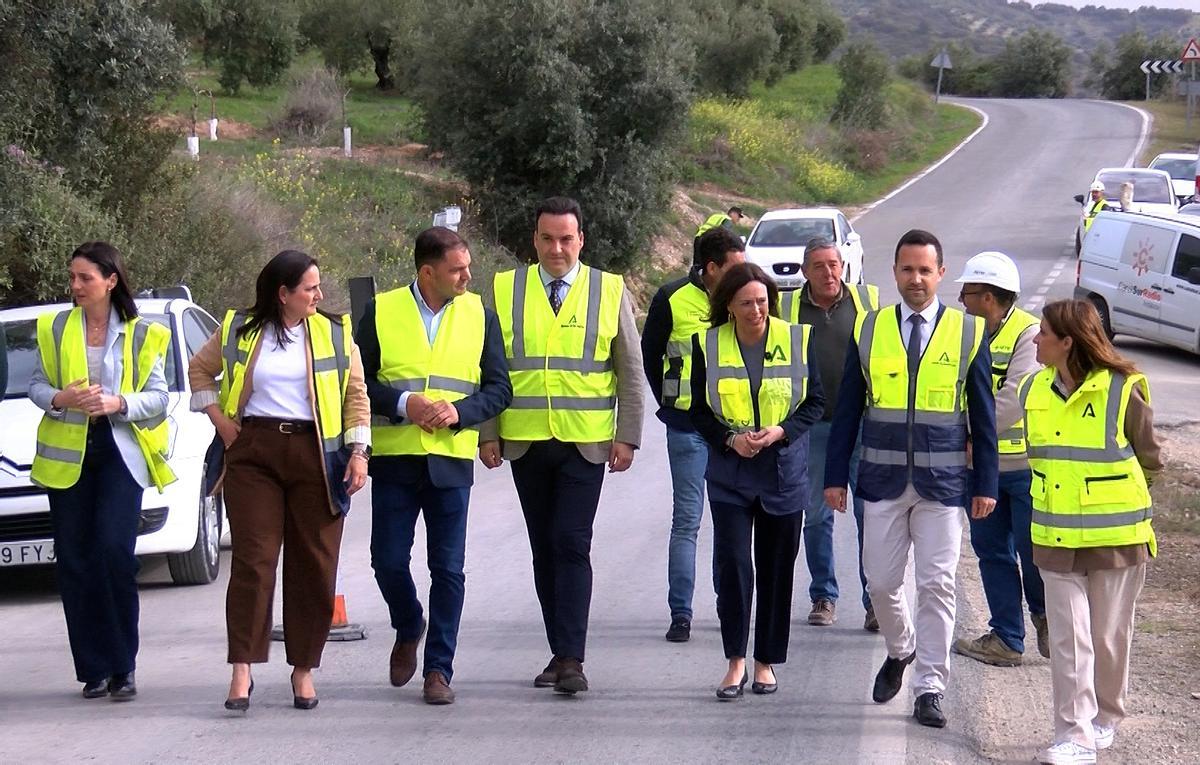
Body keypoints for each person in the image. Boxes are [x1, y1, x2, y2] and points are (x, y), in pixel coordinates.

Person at [824, 229, 998, 729]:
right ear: (894, 273)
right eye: (907, 269)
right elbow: (848, 412)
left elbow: (983, 417)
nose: (916, 279)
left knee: (937, 584)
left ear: (941, 274)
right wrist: (836, 475)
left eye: (925, 270)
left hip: (942, 486)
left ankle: (930, 688)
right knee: (879, 581)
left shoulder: (967, 332)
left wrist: (984, 483)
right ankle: (901, 650)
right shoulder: (870, 329)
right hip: (880, 480)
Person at [189, 250, 371, 712]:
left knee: (314, 564)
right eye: (310, 288)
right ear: (283, 293)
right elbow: (199, 370)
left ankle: (303, 670)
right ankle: (242, 670)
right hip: (254, 453)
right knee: (254, 559)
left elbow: (356, 395)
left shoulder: (335, 332)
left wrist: (358, 452)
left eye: (318, 286)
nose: (319, 294)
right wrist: (220, 422)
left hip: (317, 455)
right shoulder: (238, 328)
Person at [478, 196, 644, 695]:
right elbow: (490, 370)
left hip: (586, 443)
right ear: (534, 240)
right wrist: (488, 433)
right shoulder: (506, 289)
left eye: (566, 239)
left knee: (571, 542)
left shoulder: (609, 289)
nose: (556, 248)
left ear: (581, 241)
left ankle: (572, 658)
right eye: (547, 238)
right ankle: (559, 649)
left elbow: (630, 371)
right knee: (543, 549)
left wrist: (627, 435)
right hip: (526, 442)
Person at [355, 227, 512, 705]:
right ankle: (409, 624)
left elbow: (499, 389)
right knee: (386, 561)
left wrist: (460, 413)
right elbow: (357, 383)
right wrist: (405, 402)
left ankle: (438, 670)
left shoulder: (479, 313)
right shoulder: (381, 310)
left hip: (449, 462)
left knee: (448, 570)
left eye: (467, 266)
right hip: (397, 459)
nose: (468, 275)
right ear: (427, 272)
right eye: (457, 269)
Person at [29, 241, 174, 701]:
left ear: (110, 280)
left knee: (113, 554)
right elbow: (35, 384)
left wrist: (118, 402)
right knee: (75, 561)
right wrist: (61, 399)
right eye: (71, 277)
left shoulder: (143, 332)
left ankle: (122, 666)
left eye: (84, 278)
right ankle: (92, 668)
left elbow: (159, 398)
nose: (75, 286)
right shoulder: (54, 327)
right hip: (68, 455)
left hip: (120, 453)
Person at [1020, 299, 1160, 765]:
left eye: (1042, 333)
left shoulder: (1123, 389)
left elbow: (1151, 459)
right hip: (1054, 536)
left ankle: (1106, 716)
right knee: (1069, 640)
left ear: (1067, 342)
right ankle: (1074, 735)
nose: (1035, 339)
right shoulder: (1031, 389)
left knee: (1107, 636)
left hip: (1117, 539)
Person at [689, 262, 824, 700]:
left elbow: (815, 402)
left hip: (783, 472)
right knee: (733, 566)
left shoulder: (797, 339)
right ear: (728, 305)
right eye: (746, 303)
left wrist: (780, 432)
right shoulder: (706, 346)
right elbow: (696, 411)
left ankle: (766, 661)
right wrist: (730, 439)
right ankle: (735, 662)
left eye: (762, 301)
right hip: (731, 473)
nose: (756, 310)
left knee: (775, 569)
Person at [641, 226, 745, 643]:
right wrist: (668, 406)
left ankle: (727, 606)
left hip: (730, 430)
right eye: (735, 267)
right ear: (711, 267)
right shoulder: (671, 298)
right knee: (687, 520)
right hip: (686, 428)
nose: (745, 274)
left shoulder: (742, 296)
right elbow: (650, 357)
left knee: (728, 520)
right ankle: (680, 612)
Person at [951, 251, 1048, 668]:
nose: (960, 299)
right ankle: (1007, 637)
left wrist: (972, 435)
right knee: (991, 553)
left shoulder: (1029, 334)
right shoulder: (963, 332)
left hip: (1023, 467)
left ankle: (1049, 622)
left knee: (1034, 553)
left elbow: (1014, 400)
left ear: (988, 297)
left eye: (968, 292)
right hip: (979, 470)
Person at [780, 237, 880, 630]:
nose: (829, 273)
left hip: (861, 424)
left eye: (834, 264)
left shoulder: (866, 301)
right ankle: (823, 595)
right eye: (819, 266)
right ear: (805, 271)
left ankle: (875, 601)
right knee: (817, 514)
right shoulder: (786, 306)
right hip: (813, 427)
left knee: (868, 515)